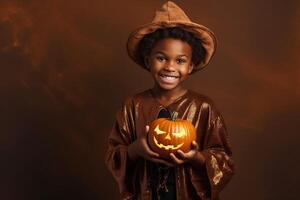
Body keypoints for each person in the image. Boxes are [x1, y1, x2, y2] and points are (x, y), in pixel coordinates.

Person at [105, 1, 234, 199]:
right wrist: (135, 149)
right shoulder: (133, 106)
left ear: (191, 66)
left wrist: (196, 157)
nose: (170, 67)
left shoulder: (203, 108)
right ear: (148, 60)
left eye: (180, 60)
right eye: (161, 58)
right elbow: (113, 156)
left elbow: (224, 161)